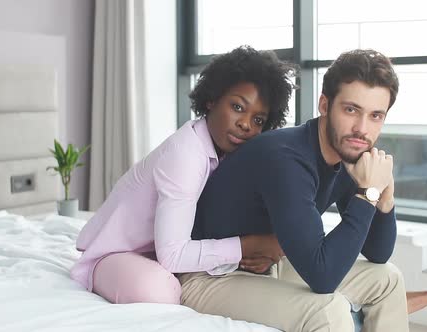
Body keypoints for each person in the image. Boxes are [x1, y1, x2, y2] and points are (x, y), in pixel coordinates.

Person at [179, 49, 427, 332]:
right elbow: (323, 277)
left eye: (375, 116)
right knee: (328, 311)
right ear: (324, 104)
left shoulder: (348, 155)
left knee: (387, 278)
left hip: (268, 266)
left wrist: (385, 196)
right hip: (210, 277)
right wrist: (368, 192)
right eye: (351, 110)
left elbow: (377, 253)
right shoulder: (285, 158)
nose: (361, 129)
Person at [70, 46, 295, 304]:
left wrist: (256, 252)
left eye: (258, 120)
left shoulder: (228, 155)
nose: (245, 124)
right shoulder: (186, 153)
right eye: (237, 107)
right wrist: (248, 246)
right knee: (160, 292)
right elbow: (173, 256)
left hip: (159, 254)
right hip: (115, 255)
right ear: (212, 99)